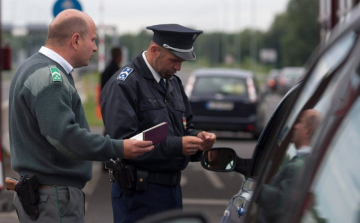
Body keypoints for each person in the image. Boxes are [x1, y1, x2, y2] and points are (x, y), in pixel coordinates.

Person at [8, 9, 154, 223]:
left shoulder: (31, 67)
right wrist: (119, 148)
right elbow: (65, 137)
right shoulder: (51, 77)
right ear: (76, 40)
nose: (95, 47)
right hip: (53, 197)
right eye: (93, 40)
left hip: (42, 194)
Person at [101, 24, 217, 223]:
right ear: (155, 51)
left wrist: (197, 141)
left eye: (181, 62)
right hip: (138, 195)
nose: (178, 68)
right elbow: (125, 144)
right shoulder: (124, 84)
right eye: (174, 60)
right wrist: (177, 146)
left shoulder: (172, 82)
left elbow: (186, 125)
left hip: (172, 191)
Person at [256, 109, 321, 223]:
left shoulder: (298, 167)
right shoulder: (305, 163)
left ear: (307, 131)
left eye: (300, 122)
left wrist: (255, 187)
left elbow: (278, 202)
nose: (295, 126)